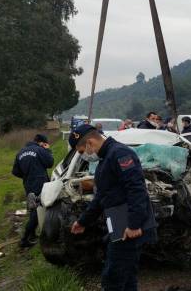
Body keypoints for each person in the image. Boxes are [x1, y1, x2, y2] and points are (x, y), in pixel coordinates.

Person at [69, 124, 157, 291]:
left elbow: (136, 190)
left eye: (81, 152)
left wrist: (134, 224)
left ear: (90, 143)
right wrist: (83, 221)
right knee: (127, 274)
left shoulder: (120, 154)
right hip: (118, 221)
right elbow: (101, 196)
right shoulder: (105, 160)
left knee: (113, 277)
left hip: (128, 224)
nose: (84, 156)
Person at [11, 134, 54, 248]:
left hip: (28, 185)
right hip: (40, 184)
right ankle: (24, 239)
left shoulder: (21, 152)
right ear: (41, 143)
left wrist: (27, 176)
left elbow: (15, 171)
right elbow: (50, 163)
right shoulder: (40, 150)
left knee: (33, 208)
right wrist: (48, 149)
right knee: (37, 211)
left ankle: (32, 234)